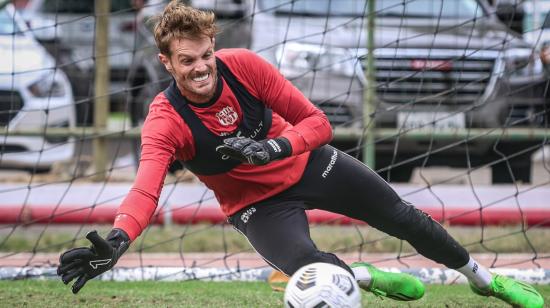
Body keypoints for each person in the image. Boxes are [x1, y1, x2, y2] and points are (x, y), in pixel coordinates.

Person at [56, 1, 544, 307]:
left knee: (402, 216)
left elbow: (320, 124)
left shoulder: (244, 66)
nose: (201, 67)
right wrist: (119, 240)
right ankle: (366, 277)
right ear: (167, 62)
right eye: (187, 61)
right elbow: (146, 187)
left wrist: (274, 146)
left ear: (213, 48)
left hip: (310, 163)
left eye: (206, 55)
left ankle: (484, 282)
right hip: (256, 205)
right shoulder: (165, 120)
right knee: (314, 271)